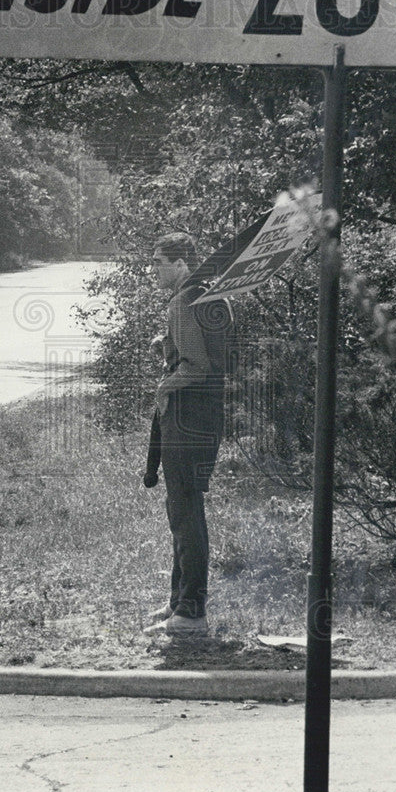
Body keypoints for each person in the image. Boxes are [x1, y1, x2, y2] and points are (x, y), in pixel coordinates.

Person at [143, 232, 233, 637]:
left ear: (182, 263)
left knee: (184, 511)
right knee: (185, 507)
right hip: (206, 415)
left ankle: (191, 611)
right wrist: (168, 346)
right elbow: (211, 357)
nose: (154, 268)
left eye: (160, 261)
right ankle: (180, 602)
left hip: (185, 417)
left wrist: (164, 387)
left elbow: (196, 365)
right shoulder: (213, 296)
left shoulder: (182, 301)